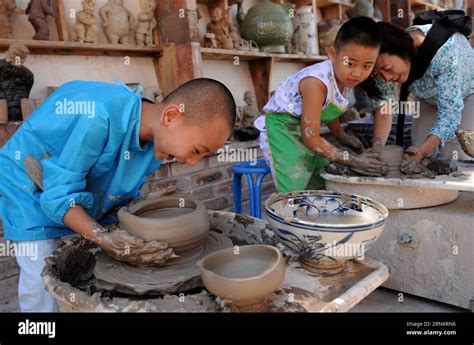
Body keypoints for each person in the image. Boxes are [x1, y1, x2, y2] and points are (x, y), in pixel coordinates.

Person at [0, 78, 236, 312]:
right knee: (42, 279)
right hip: (27, 181)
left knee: (94, 258)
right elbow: (59, 198)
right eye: (197, 150)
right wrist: (103, 238)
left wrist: (139, 203)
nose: (192, 162)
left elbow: (111, 186)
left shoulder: (157, 141)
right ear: (171, 116)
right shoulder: (99, 117)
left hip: (68, 183)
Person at [254, 17, 387, 192]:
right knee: (295, 188)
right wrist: (354, 160)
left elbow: (325, 110)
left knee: (323, 175)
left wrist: (341, 135)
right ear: (332, 53)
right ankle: (289, 216)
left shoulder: (344, 78)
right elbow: (311, 138)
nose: (357, 73)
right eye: (350, 63)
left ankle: (315, 213)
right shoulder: (315, 84)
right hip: (282, 129)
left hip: (306, 130)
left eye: (367, 66)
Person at [371, 21, 474, 166]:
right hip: (428, 96)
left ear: (403, 52)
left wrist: (422, 152)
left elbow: (450, 113)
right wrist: (377, 145)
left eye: (387, 68)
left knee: (454, 157)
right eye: (378, 73)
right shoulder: (381, 58)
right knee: (417, 150)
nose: (386, 77)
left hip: (466, 92)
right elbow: (384, 107)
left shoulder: (444, 51)